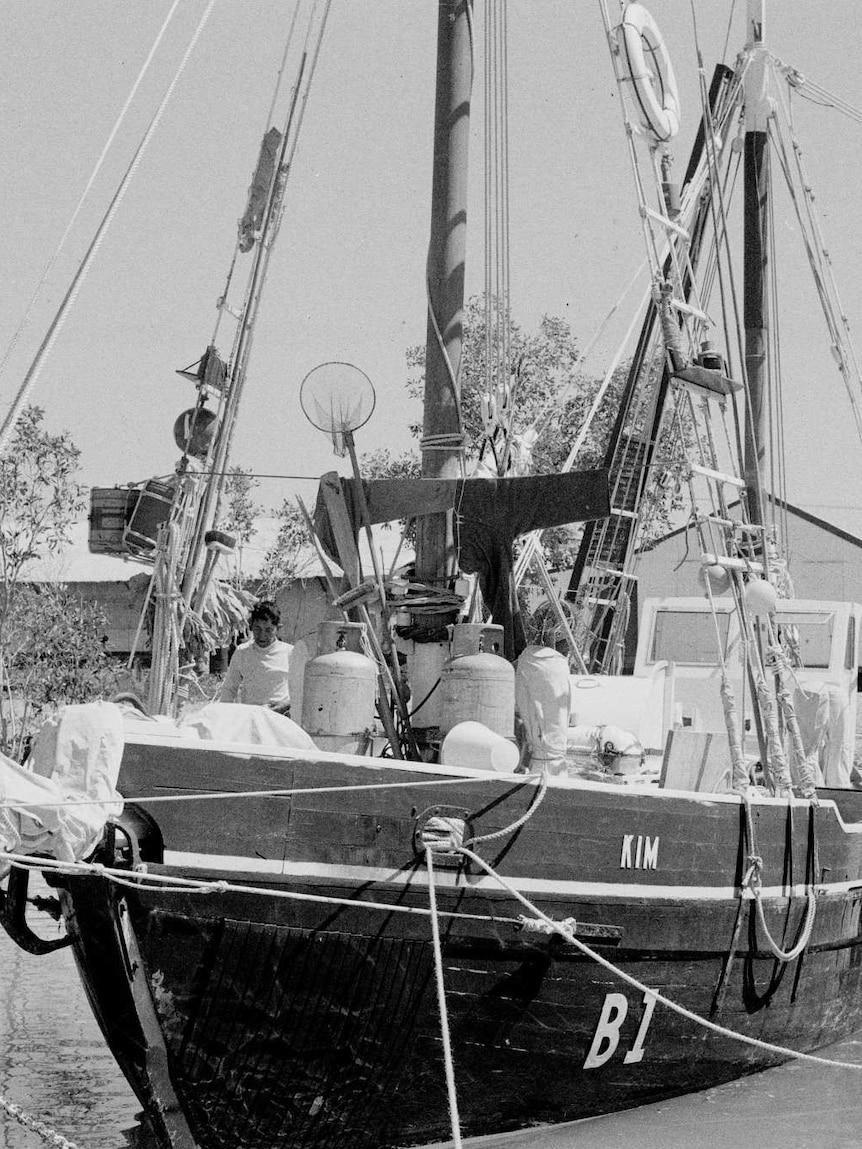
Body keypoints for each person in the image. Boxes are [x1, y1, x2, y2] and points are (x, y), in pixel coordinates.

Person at [217, 601, 293, 714]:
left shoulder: (290, 653)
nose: (262, 635)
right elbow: (229, 688)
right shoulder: (242, 652)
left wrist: (284, 705)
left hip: (281, 717)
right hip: (251, 717)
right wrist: (225, 715)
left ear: (278, 628)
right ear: (251, 627)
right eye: (257, 629)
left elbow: (302, 691)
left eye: (268, 630)